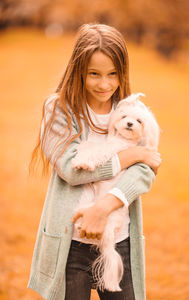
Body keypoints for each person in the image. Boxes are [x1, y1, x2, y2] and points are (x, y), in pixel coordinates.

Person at [28, 23, 161, 300]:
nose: (105, 84)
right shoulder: (58, 109)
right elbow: (71, 170)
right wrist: (132, 155)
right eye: (94, 74)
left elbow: (144, 173)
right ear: (79, 71)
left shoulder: (128, 110)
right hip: (70, 245)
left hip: (119, 240)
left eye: (113, 74)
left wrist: (104, 206)